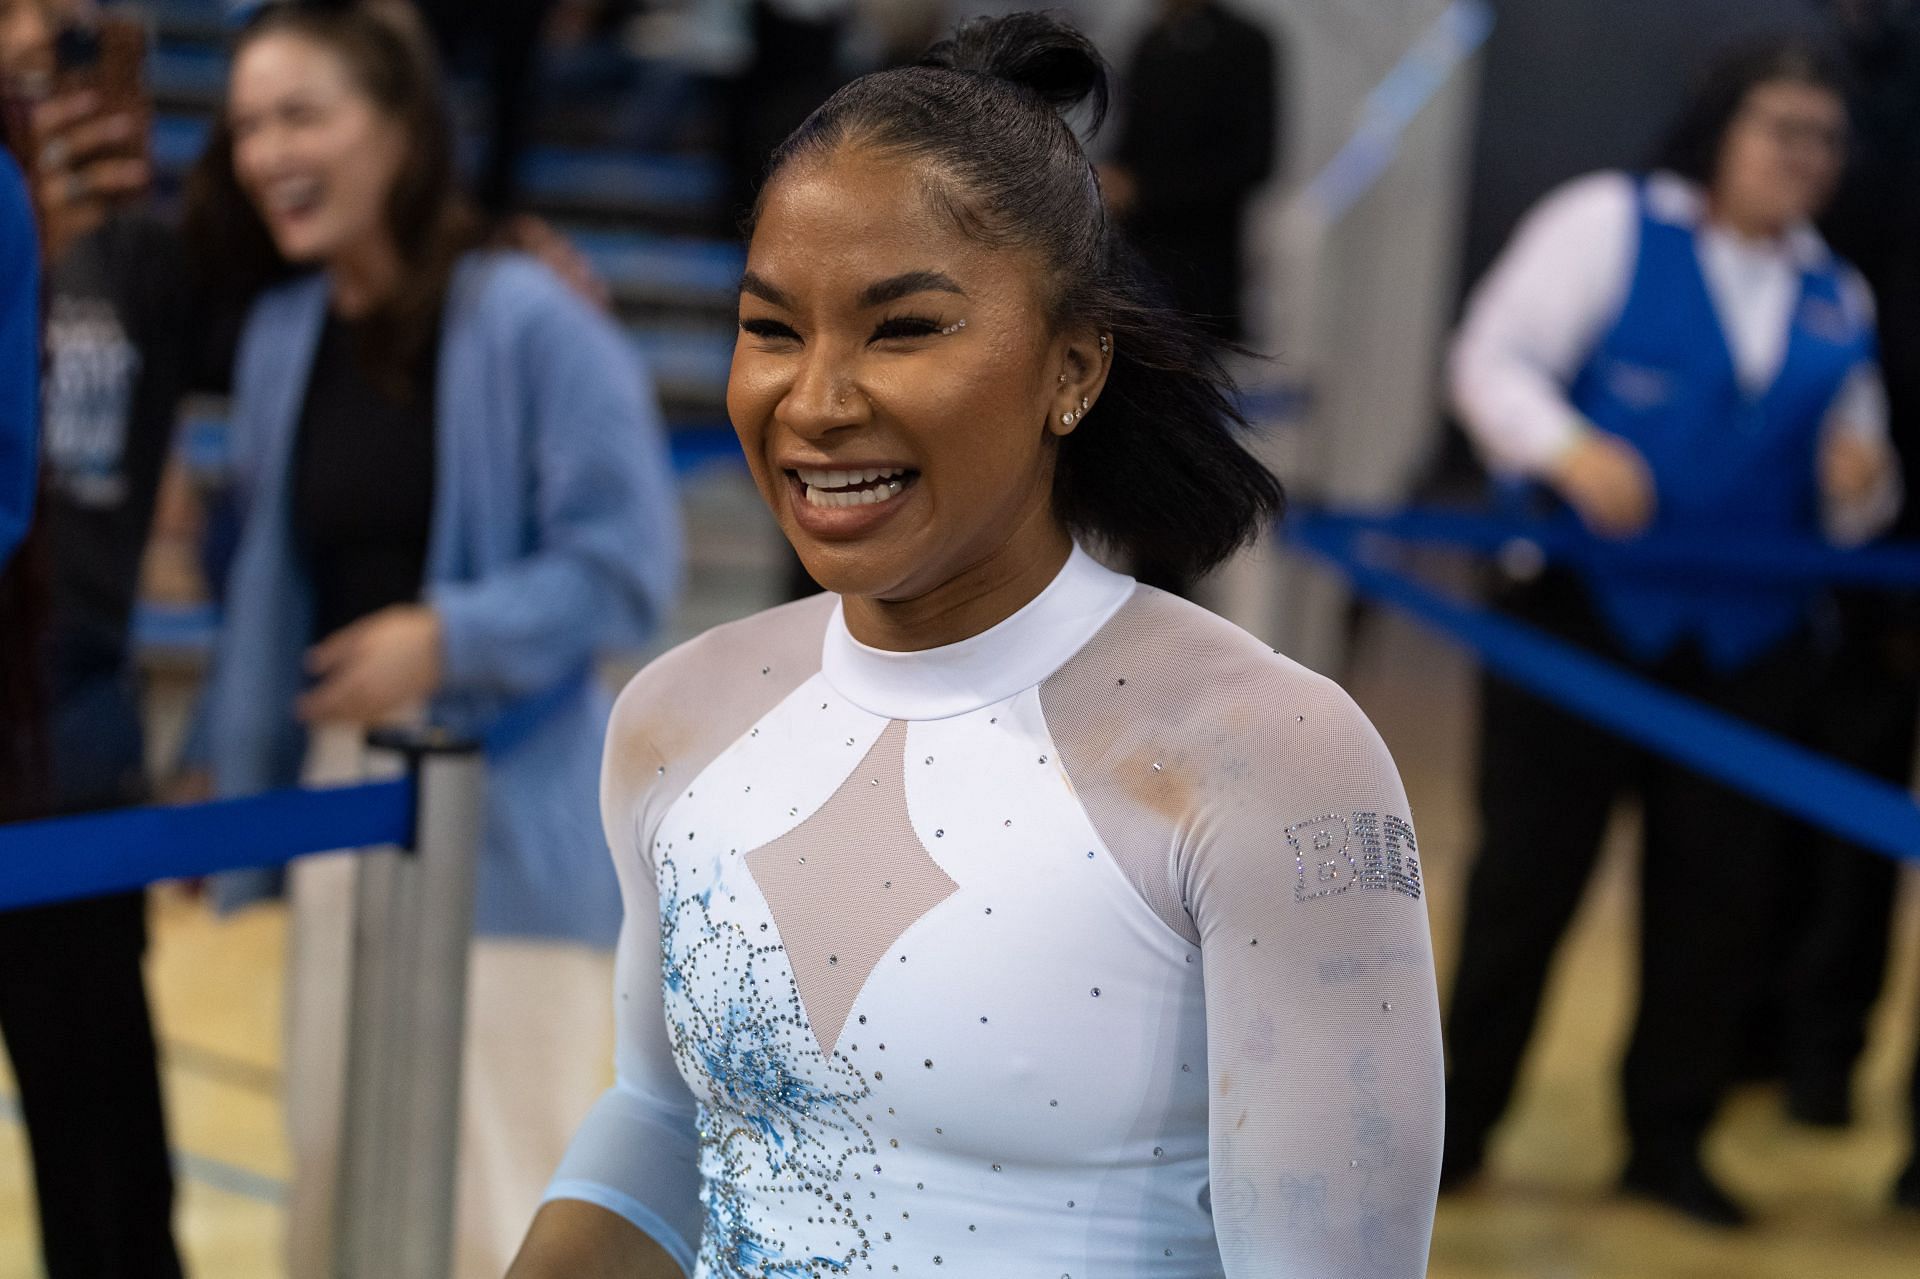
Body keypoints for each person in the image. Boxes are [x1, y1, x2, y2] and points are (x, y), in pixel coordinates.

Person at [508, 13, 1444, 1277]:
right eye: (773, 329)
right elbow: (668, 1123)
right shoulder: (681, 715)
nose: (820, 401)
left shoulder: (1268, 752)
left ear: (1073, 367)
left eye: (903, 330)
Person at [181, 2, 682, 1275]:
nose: (265, 150)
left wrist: (446, 636)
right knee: (334, 1186)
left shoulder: (532, 315)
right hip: (340, 805)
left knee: (493, 1206)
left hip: (504, 818)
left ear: (402, 132)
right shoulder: (289, 332)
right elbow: (269, 598)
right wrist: (219, 770)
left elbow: (628, 566)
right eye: (246, 122)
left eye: (302, 114)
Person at [1442, 37, 1899, 1226]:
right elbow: (1492, 359)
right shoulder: (1607, 222)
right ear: (1723, 129)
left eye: (1825, 138)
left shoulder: (1833, 291)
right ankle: (1458, 1126)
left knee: (1719, 906)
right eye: (1782, 130)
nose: (1805, 159)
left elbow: (1858, 499)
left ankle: (1668, 1138)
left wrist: (1860, 481)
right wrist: (1568, 449)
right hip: (1578, 624)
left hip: (1747, 650)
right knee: (1525, 890)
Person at [0, 0, 188, 1272]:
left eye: (71, 22)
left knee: (103, 1158)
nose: (37, 40)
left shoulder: (163, 248)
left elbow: (381, 252)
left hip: (63, 744)